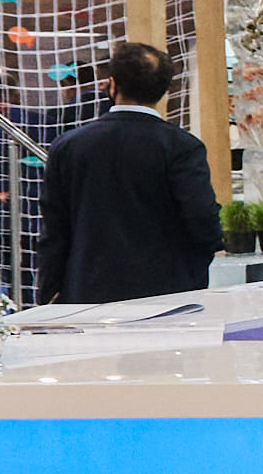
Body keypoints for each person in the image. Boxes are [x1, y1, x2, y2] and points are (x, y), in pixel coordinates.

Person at [34, 39, 223, 304]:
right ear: (164, 90)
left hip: (88, 294)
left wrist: (48, 295)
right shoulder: (182, 146)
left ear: (112, 85)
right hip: (167, 294)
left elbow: (54, 230)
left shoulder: (68, 146)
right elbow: (202, 220)